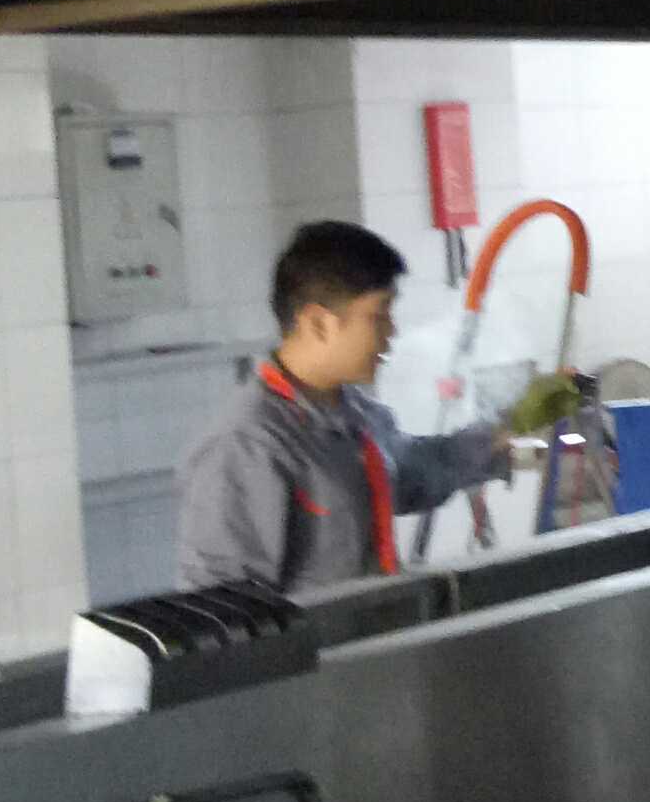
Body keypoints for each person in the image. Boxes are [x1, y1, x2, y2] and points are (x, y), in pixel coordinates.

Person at [177, 220, 509, 597]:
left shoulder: (357, 415)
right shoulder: (248, 445)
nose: (392, 332)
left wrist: (504, 436)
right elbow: (224, 607)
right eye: (379, 315)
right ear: (319, 323)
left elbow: (412, 473)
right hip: (321, 637)